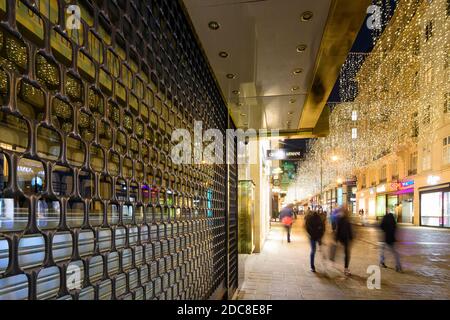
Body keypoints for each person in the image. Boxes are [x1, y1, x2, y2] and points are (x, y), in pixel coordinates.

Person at [330, 205, 353, 276]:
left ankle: (345, 268)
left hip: (344, 238)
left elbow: (348, 229)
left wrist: (351, 237)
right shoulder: (341, 219)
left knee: (346, 254)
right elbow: (338, 229)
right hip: (343, 238)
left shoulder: (345, 219)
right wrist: (336, 239)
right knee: (345, 253)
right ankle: (344, 268)